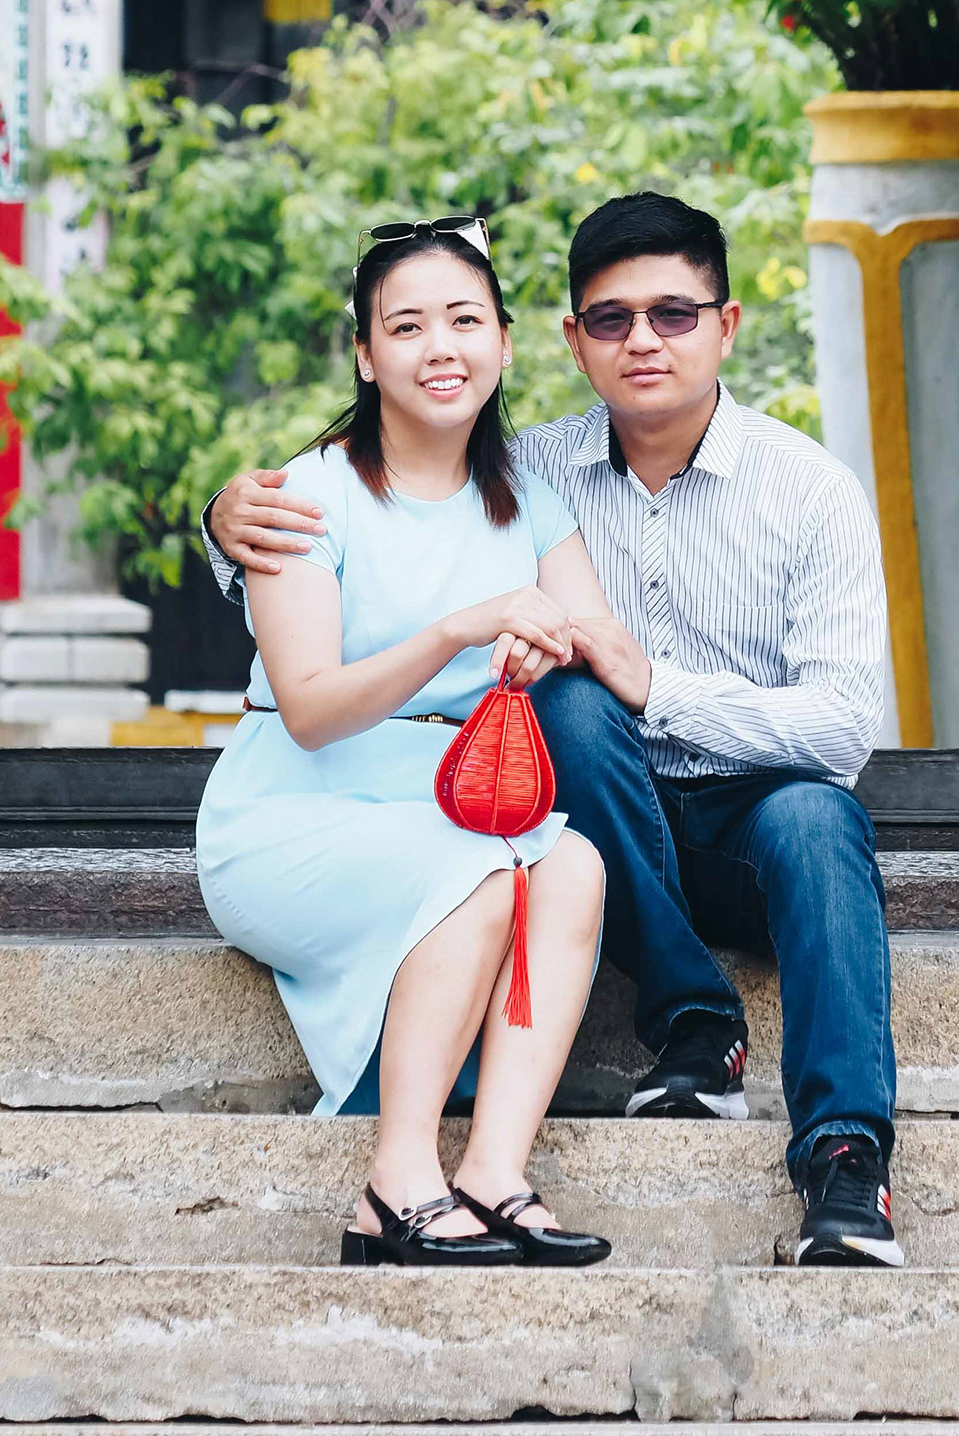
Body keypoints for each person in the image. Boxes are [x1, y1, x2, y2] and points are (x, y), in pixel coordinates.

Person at [207, 189, 902, 1271]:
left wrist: (647, 682)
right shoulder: (520, 467)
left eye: (675, 314)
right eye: (613, 319)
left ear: (726, 326)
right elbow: (364, 535)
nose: (644, 341)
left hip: (725, 814)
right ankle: (659, 1040)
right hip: (521, 801)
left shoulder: (798, 489)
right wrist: (221, 527)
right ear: (572, 342)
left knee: (782, 823)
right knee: (559, 748)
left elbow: (840, 727)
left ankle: (837, 1166)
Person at [194, 218, 615, 1268]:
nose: (442, 348)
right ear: (365, 355)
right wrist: (458, 631)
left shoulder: (530, 503)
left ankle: (495, 1171)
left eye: (466, 321)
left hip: (442, 809)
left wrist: (543, 647)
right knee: (482, 871)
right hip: (293, 815)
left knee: (571, 864)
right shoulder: (305, 499)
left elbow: (592, 636)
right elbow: (311, 709)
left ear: (505, 343)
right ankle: (395, 1183)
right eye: (408, 326)